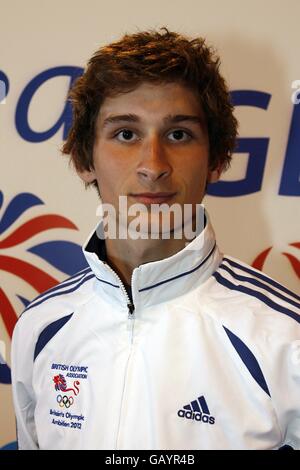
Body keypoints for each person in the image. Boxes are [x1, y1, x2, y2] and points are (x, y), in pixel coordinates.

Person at [11, 28, 300, 450]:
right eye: (126, 134)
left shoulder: (284, 339)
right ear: (84, 159)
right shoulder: (39, 327)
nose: (153, 165)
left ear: (216, 160)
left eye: (178, 134)